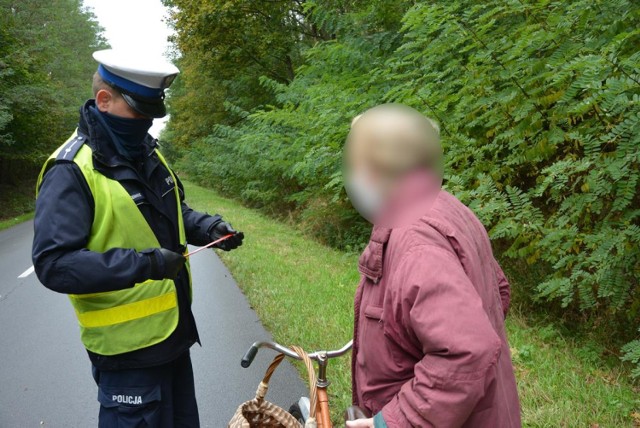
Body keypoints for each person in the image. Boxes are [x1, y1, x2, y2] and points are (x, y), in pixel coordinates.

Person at [32, 49, 244, 427]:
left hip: (174, 340)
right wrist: (146, 265)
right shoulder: (70, 170)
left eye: (152, 113)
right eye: (139, 111)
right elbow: (54, 265)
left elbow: (174, 214)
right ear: (104, 100)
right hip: (126, 356)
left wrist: (209, 228)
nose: (146, 122)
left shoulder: (147, 153)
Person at [344, 104, 521, 427]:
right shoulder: (448, 207)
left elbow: (468, 350)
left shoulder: (415, 241)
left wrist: (393, 422)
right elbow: (498, 291)